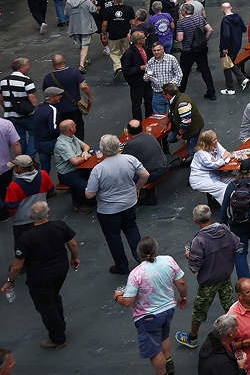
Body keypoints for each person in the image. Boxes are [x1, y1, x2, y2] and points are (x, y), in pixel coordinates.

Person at [3, 200, 79, 349]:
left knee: (45, 306)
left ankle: (58, 338)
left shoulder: (26, 238)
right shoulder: (60, 226)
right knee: (54, 296)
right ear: (48, 212)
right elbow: (73, 244)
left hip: (40, 276)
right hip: (60, 269)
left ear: (30, 216)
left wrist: (10, 280)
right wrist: (74, 258)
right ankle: (60, 324)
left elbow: (18, 265)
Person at [114, 235, 188, 375]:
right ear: (156, 249)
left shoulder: (136, 274)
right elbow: (181, 283)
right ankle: (169, 362)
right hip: (168, 310)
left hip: (149, 317)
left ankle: (163, 373)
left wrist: (117, 296)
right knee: (164, 336)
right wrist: (183, 296)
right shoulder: (168, 261)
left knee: (154, 351)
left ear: (139, 253)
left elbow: (127, 301)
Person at [178, 202, 243, 350]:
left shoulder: (199, 240)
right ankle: (240, 333)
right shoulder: (225, 229)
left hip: (208, 282)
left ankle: (192, 338)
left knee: (199, 311)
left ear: (195, 220)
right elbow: (238, 248)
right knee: (231, 307)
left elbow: (194, 269)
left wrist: (189, 256)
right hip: (225, 276)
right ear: (210, 215)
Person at [86, 132, 149, 273]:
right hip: (129, 203)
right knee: (132, 229)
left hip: (108, 210)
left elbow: (89, 194)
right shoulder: (129, 159)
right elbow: (145, 175)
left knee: (113, 238)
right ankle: (142, 258)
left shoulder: (98, 169)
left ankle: (122, 266)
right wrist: (137, 188)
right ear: (118, 147)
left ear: (101, 150)